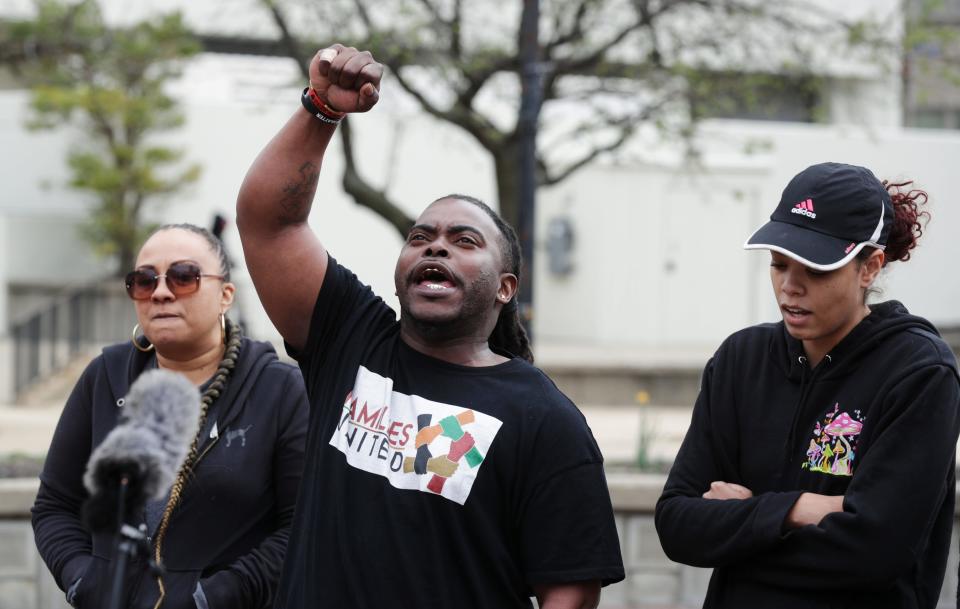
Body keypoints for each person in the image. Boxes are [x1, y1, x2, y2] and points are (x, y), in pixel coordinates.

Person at [235, 45, 625, 609]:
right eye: (420, 237)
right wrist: (321, 108)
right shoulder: (351, 338)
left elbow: (568, 593)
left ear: (505, 289)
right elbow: (269, 223)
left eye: (464, 241)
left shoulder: (546, 420)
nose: (436, 243)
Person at [655, 162, 960, 609]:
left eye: (816, 270)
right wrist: (801, 509)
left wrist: (742, 522)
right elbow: (677, 524)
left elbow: (875, 551)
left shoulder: (920, 372)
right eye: (779, 264)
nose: (789, 287)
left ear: (870, 267)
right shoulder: (740, 360)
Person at [32, 223, 309, 609]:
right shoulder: (106, 377)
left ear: (226, 295)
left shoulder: (280, 389)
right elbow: (54, 505)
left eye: (183, 277)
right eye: (144, 281)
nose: (161, 292)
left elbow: (302, 527)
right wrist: (83, 580)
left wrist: (213, 598)